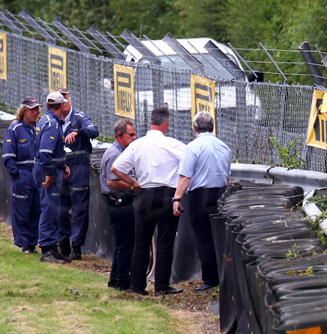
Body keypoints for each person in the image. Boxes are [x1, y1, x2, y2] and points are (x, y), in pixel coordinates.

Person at [111, 107, 185, 296]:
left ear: (150, 122)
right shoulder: (175, 145)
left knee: (141, 243)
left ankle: (137, 286)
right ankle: (161, 287)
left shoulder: (138, 144)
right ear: (166, 124)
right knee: (165, 243)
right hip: (168, 195)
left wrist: (134, 184)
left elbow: (116, 169)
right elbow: (189, 165)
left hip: (145, 194)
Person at [172, 111, 231, 292]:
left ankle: (210, 279)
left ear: (194, 127)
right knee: (219, 236)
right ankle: (223, 275)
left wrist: (177, 198)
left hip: (200, 195)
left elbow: (185, 177)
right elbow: (227, 178)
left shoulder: (193, 147)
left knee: (204, 237)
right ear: (212, 126)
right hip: (220, 193)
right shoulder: (224, 147)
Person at [56, 88, 99, 260]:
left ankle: (76, 246)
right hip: (60, 168)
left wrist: (78, 132)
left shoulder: (79, 118)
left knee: (80, 208)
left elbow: (94, 130)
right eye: (60, 100)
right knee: (60, 207)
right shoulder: (52, 120)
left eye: (66, 98)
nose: (64, 103)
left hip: (79, 168)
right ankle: (63, 242)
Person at [99, 119, 140, 290]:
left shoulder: (119, 151)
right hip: (119, 203)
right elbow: (113, 181)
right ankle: (122, 282)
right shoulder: (116, 154)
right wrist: (134, 185)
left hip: (118, 202)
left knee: (122, 244)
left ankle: (115, 281)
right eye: (131, 135)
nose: (135, 137)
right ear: (120, 135)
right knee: (126, 244)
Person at [34, 91, 72, 264]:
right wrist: (49, 174)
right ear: (62, 106)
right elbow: (45, 153)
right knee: (49, 209)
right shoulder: (51, 124)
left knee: (53, 209)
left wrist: (62, 166)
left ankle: (52, 247)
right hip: (46, 171)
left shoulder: (47, 121)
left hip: (50, 169)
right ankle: (47, 249)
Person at [2, 98, 42, 253]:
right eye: (31, 109)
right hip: (22, 174)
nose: (35, 112)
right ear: (23, 110)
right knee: (21, 210)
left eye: (37, 109)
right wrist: (16, 175)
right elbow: (8, 155)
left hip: (37, 175)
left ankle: (32, 243)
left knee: (36, 209)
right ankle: (23, 243)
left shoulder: (39, 129)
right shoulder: (14, 129)